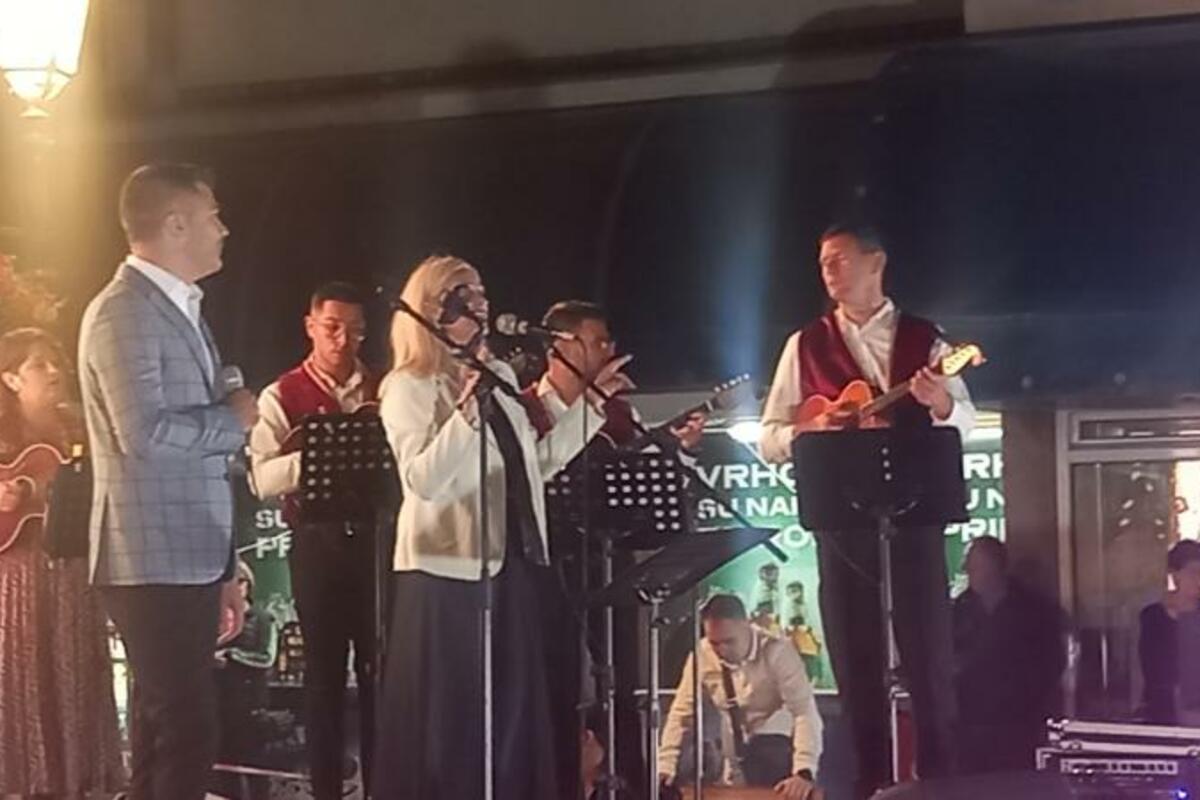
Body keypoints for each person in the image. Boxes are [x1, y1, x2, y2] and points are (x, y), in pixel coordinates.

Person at [372, 255, 631, 800]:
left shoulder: (500, 376)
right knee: (457, 722)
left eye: (483, 292)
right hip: (447, 573)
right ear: (434, 308)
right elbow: (423, 480)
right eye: (465, 294)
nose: (482, 304)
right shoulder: (408, 385)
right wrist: (466, 414)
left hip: (510, 561)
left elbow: (532, 466)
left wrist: (590, 408)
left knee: (509, 718)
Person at [759, 223, 975, 798]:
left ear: (876, 262)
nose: (828, 272)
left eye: (839, 260)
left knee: (930, 661)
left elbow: (966, 422)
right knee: (856, 668)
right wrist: (810, 430)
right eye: (822, 263)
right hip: (841, 522)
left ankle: (941, 786)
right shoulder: (804, 344)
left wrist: (942, 402)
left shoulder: (926, 339)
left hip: (915, 514)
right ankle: (867, 785)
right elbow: (769, 435)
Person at [77, 162, 259, 800]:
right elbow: (144, 433)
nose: (224, 230)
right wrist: (232, 421)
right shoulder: (123, 312)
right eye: (213, 217)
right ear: (175, 224)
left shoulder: (178, 308)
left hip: (190, 554)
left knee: (168, 731)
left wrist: (226, 565)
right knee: (186, 727)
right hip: (149, 557)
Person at [526, 299, 705, 791]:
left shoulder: (619, 412)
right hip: (549, 567)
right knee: (558, 681)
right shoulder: (525, 407)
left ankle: (630, 781)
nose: (608, 350)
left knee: (624, 681)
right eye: (597, 341)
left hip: (612, 561)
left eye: (609, 341)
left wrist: (682, 454)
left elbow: (647, 477)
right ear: (560, 347)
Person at [248, 281, 378, 799]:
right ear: (310, 326)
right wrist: (323, 456)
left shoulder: (386, 386)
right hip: (317, 544)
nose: (344, 341)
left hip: (376, 544)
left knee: (379, 672)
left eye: (356, 331)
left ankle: (384, 784)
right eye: (332, 328)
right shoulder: (281, 394)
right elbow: (261, 478)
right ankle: (326, 790)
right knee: (323, 676)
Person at [0, 327, 125, 798]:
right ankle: (29, 780)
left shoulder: (81, 425)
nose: (54, 371)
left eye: (55, 361)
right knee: (27, 670)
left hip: (73, 567)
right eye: (38, 364)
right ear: (11, 379)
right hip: (20, 573)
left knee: (76, 667)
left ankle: (80, 780)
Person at [658, 594, 823, 800]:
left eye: (729, 641)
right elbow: (681, 714)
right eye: (715, 642)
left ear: (747, 624)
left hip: (780, 755)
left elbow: (804, 712)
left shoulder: (778, 651)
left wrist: (804, 771)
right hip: (734, 759)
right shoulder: (702, 654)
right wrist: (665, 765)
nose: (721, 650)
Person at [953, 536, 1065, 773]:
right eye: (970, 568)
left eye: (978, 566)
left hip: (1021, 723)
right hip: (972, 726)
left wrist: (1027, 693)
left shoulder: (1033, 609)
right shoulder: (957, 611)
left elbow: (1053, 660)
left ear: (997, 567)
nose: (971, 573)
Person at [213, 560, 279, 800]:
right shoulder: (214, 619)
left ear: (248, 585)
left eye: (240, 582)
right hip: (219, 705)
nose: (235, 587)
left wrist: (232, 656)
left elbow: (267, 657)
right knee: (224, 770)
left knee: (256, 770)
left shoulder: (263, 618)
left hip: (252, 705)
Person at [1140, 539, 1200, 725]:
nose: (1199, 579)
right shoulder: (1153, 617)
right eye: (1193, 573)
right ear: (1174, 574)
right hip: (1163, 713)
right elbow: (1151, 669)